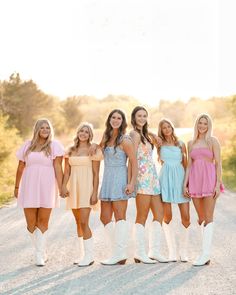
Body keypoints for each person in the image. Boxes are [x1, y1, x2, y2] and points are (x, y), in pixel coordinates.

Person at [14, 118, 64, 266]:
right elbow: (20, 167)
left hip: (47, 186)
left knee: (43, 221)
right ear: (37, 129)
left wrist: (61, 187)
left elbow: (58, 168)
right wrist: (16, 187)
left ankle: (39, 254)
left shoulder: (55, 146)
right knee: (31, 224)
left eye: (47, 128)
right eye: (42, 128)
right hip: (29, 186)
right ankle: (40, 250)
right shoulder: (27, 146)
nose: (45, 130)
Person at [183, 113, 223, 266]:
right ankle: (203, 252)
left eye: (205, 123)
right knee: (201, 218)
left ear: (209, 125)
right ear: (196, 124)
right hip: (195, 181)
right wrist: (184, 184)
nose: (202, 126)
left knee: (208, 217)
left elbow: (218, 163)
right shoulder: (191, 142)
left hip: (209, 180)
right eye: (200, 123)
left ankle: (205, 254)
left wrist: (217, 184)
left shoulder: (213, 141)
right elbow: (189, 165)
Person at [99, 109, 137, 265]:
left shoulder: (125, 140)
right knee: (104, 217)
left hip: (120, 178)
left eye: (119, 118)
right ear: (109, 120)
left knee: (120, 216)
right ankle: (119, 251)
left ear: (123, 121)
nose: (115, 120)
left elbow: (133, 162)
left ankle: (119, 253)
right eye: (113, 117)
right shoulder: (106, 138)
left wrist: (131, 183)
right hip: (107, 178)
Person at [130, 106, 168, 264]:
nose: (142, 118)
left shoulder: (145, 134)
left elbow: (149, 139)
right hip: (142, 177)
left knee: (159, 214)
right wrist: (133, 180)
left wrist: (151, 133)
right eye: (139, 115)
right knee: (142, 215)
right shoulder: (134, 134)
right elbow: (132, 158)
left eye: (145, 115)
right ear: (134, 117)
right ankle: (139, 252)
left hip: (152, 177)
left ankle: (155, 251)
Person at [61, 123, 102, 267]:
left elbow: (96, 174)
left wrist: (94, 193)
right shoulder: (70, 150)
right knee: (78, 222)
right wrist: (63, 186)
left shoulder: (93, 150)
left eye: (86, 131)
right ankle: (82, 254)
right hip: (73, 188)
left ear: (90, 135)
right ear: (77, 133)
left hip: (87, 188)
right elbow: (67, 171)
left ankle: (89, 256)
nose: (83, 133)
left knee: (84, 222)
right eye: (81, 131)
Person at [157, 118, 190, 262]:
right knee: (167, 217)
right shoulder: (159, 144)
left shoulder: (181, 144)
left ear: (172, 127)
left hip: (180, 180)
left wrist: (186, 184)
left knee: (186, 217)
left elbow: (187, 165)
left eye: (168, 126)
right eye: (163, 127)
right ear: (161, 130)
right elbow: (146, 135)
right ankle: (172, 252)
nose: (167, 129)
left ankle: (184, 251)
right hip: (165, 180)